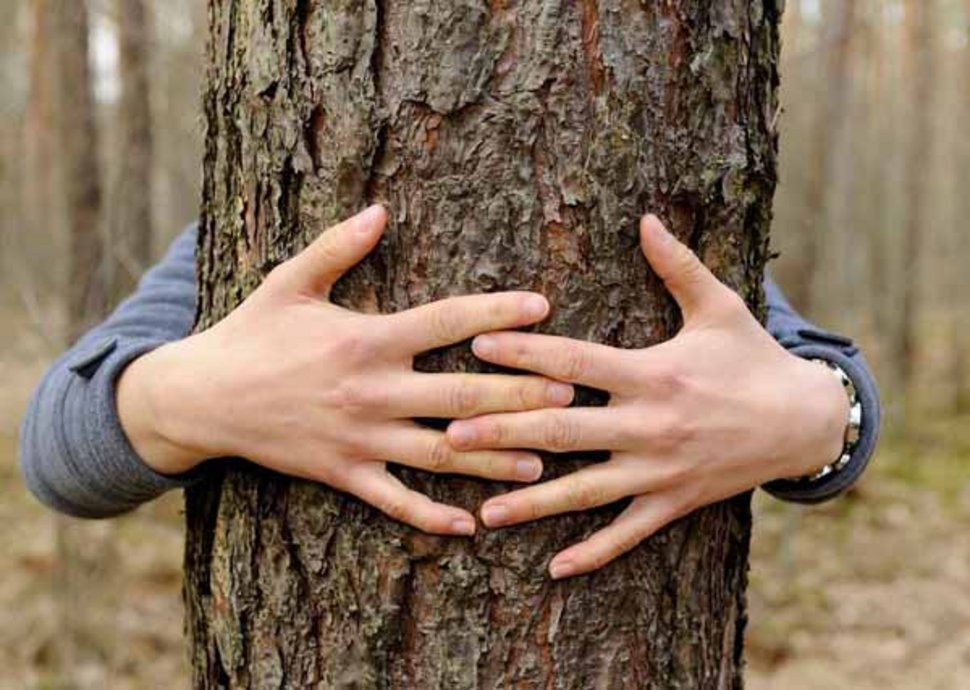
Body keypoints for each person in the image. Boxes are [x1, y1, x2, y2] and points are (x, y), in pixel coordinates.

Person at [19, 206, 880, 579]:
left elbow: (822, 381)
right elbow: (54, 451)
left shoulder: (665, 222)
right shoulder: (243, 238)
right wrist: (187, 399)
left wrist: (815, 419)